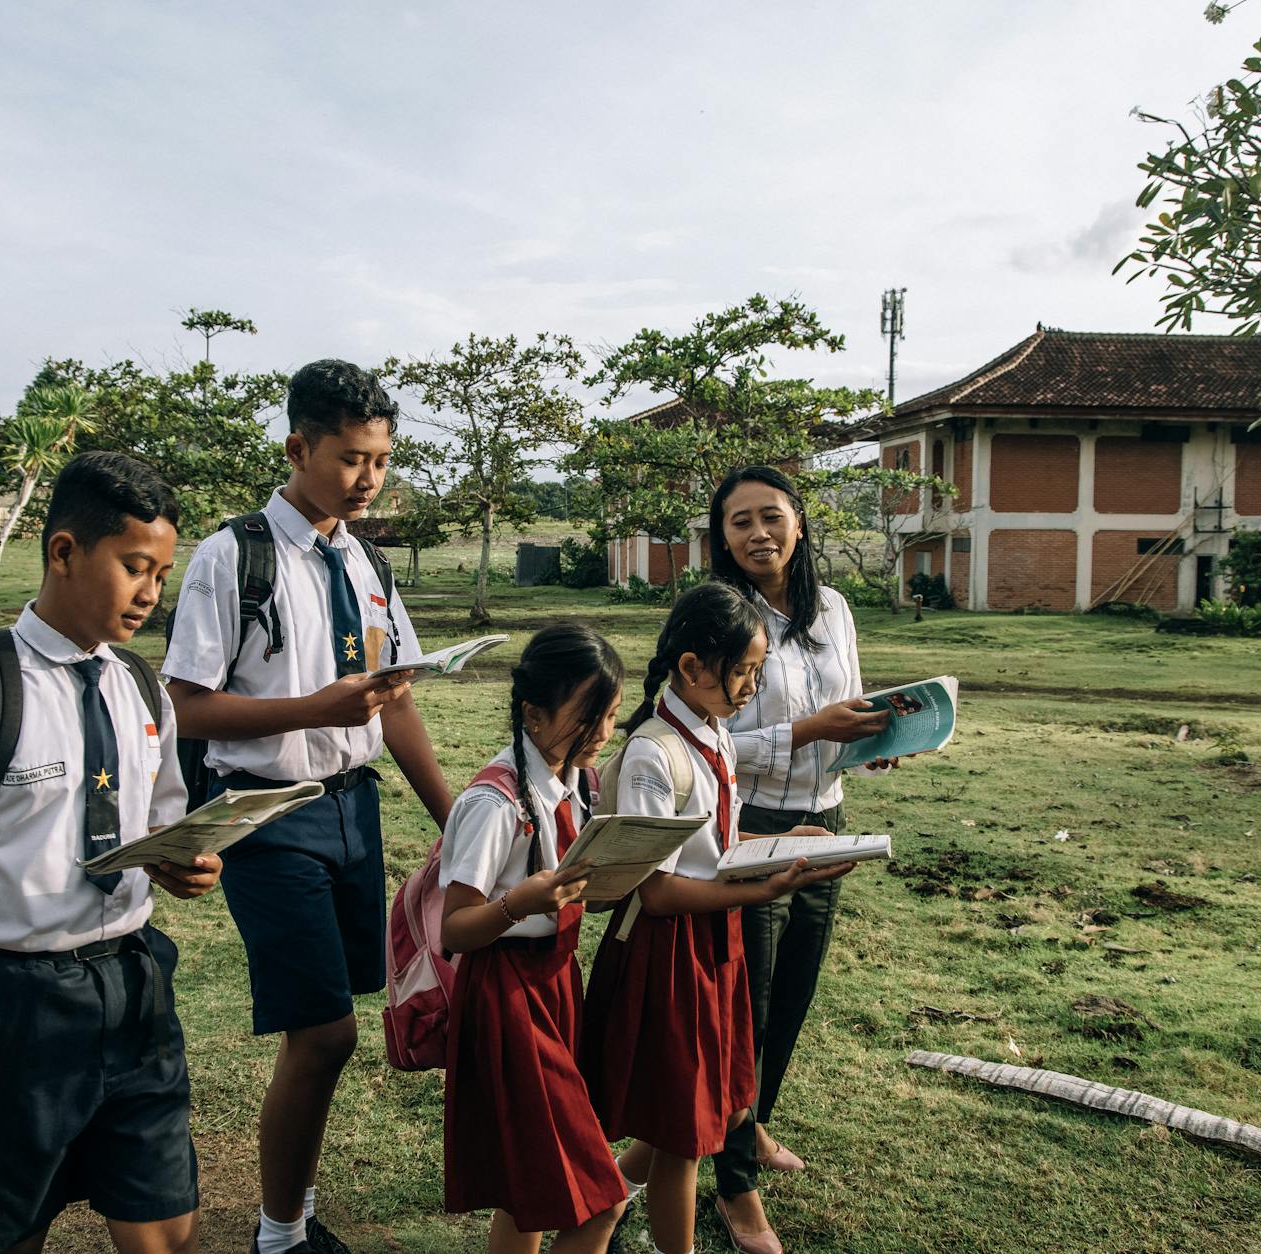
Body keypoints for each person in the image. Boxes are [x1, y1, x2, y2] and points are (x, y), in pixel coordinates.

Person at [0, 451, 219, 1254]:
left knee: (166, 1225)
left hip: (133, 988)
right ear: (63, 552)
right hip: (9, 1007)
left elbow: (156, 827)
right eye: (134, 567)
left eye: (162, 573)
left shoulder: (139, 686)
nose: (151, 593)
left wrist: (184, 862)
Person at [162, 359, 453, 1254]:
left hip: (352, 810)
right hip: (266, 812)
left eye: (381, 461)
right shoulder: (234, 555)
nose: (368, 480)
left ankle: (293, 1214)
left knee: (338, 1025)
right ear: (298, 446)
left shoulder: (365, 559)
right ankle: (279, 1233)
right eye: (350, 459)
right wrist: (314, 707)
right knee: (322, 1033)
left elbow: (393, 697)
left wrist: (458, 815)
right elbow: (186, 702)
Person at [581, 582, 854, 1254]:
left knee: (704, 1106)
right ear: (692, 668)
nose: (749, 686)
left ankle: (606, 1208)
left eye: (758, 672)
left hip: (714, 942)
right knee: (682, 1139)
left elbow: (722, 851)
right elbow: (663, 891)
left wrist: (791, 847)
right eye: (741, 671)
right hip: (670, 951)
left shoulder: (715, 734)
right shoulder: (653, 753)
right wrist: (763, 890)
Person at [704, 465, 894, 1254]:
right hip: (751, 827)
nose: (757, 534)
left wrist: (876, 740)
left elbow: (845, 701)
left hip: (828, 820)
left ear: (800, 525)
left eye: (771, 517)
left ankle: (753, 1131)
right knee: (742, 1010)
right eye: (739, 522)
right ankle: (735, 1189)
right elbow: (706, 740)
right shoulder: (715, 620)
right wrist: (811, 732)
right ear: (721, 538)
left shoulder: (836, 611)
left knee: (792, 999)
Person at [440, 625, 630, 1254]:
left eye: (610, 715)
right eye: (588, 717)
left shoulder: (575, 782)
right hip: (507, 997)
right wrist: (515, 904)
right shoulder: (494, 803)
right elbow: (455, 928)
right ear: (533, 713)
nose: (602, 734)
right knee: (599, 1204)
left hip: (554, 987)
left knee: (532, 1195)